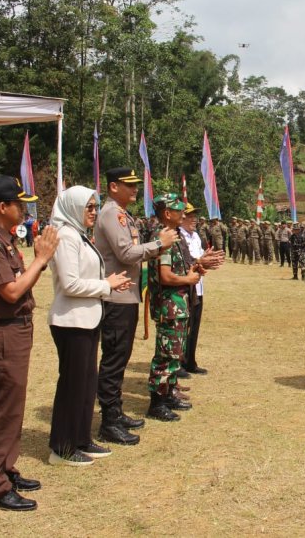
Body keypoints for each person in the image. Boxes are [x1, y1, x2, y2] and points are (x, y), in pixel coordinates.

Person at [0, 175, 59, 511]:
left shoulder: (4, 240)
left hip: (15, 331)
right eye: (19, 204)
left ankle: (6, 468)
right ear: (2, 207)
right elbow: (10, 291)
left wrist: (41, 258)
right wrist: (41, 258)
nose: (24, 209)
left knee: (13, 405)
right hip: (3, 332)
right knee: (3, 409)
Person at [46, 186, 131, 466]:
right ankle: (62, 447)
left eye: (95, 207)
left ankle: (81, 438)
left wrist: (109, 283)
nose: (93, 212)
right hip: (71, 322)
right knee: (72, 385)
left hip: (87, 318)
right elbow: (70, 285)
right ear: (73, 208)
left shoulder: (80, 236)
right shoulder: (66, 237)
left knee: (86, 385)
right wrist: (106, 284)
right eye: (89, 207)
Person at [94, 168, 179, 445]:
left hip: (125, 296)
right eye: (128, 185)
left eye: (135, 184)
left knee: (120, 358)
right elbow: (126, 253)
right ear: (113, 186)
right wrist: (158, 244)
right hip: (115, 298)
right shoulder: (111, 214)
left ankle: (115, 413)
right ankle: (108, 421)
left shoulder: (124, 215)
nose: (135, 189)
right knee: (114, 359)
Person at [146, 193, 200, 421]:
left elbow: (179, 269)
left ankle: (168, 394)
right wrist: (188, 280)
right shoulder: (163, 238)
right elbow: (165, 276)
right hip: (169, 306)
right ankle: (157, 403)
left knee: (175, 353)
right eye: (179, 210)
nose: (183, 214)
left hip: (178, 305)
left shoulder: (173, 236)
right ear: (167, 214)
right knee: (166, 355)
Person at [179, 203, 224, 375]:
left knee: (194, 326)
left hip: (197, 287)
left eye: (195, 216)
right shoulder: (179, 236)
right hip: (184, 287)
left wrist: (209, 261)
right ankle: (179, 362)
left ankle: (190, 361)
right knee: (183, 327)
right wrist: (202, 261)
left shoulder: (196, 236)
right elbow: (186, 261)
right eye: (189, 216)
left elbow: (199, 259)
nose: (194, 219)